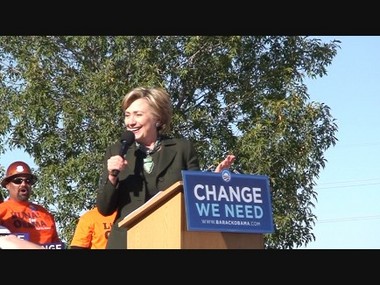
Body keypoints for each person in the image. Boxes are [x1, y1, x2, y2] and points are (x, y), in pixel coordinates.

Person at [96, 86, 236, 249]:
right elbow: (104, 209)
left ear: (158, 119)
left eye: (138, 115)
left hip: (171, 239)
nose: (131, 121)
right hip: (126, 241)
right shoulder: (116, 151)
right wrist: (112, 177)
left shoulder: (182, 149)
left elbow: (196, 200)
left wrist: (210, 183)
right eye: (127, 115)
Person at [0, 161, 62, 246]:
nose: (23, 184)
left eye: (28, 181)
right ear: (7, 185)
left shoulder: (44, 213)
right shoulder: (2, 210)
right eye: (18, 181)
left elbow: (56, 243)